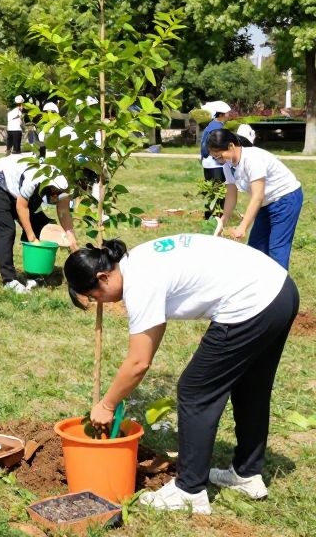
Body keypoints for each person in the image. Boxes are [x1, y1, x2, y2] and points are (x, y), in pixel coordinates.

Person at [64, 235, 298, 514]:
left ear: (103, 277)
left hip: (251, 304)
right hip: (279, 289)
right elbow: (153, 335)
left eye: (94, 296)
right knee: (251, 386)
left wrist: (106, 404)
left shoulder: (140, 282)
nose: (99, 302)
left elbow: (139, 362)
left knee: (195, 390)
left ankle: (189, 490)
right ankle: (246, 474)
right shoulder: (139, 260)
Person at [206, 128, 303, 270]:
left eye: (219, 156)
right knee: (256, 249)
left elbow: (258, 196)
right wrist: (222, 222)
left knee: (277, 248)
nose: (218, 161)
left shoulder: (252, 159)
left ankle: (281, 288)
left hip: (285, 199)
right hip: (265, 203)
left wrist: (242, 227)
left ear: (231, 146)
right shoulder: (228, 165)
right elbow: (231, 194)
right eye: (215, 158)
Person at [0, 153, 78, 293]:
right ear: (47, 189)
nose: (55, 197)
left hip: (18, 188)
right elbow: (21, 207)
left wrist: (71, 239)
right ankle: (9, 280)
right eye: (53, 196)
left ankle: (35, 273)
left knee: (42, 225)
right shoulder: (34, 180)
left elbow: (64, 212)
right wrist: (32, 237)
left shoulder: (63, 186)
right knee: (7, 229)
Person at [199, 102, 230, 218]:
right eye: (227, 113)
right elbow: (215, 146)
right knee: (219, 191)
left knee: (211, 190)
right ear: (221, 114)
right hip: (215, 164)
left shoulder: (211, 125)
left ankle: (208, 214)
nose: (229, 115)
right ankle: (218, 216)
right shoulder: (217, 128)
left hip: (207, 163)